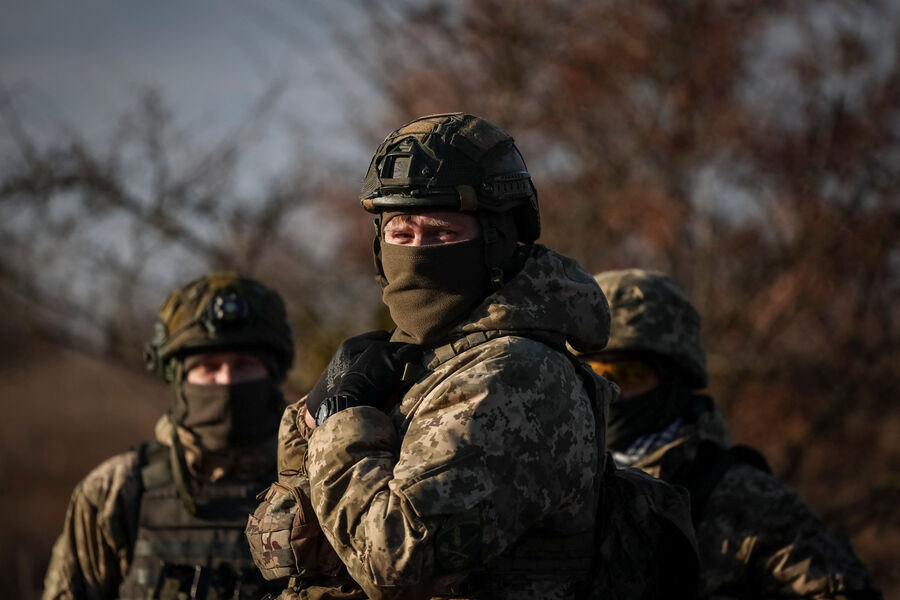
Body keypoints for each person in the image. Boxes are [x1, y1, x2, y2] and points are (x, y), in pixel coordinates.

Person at [267, 112, 618, 599]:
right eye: (401, 235)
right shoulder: (414, 361)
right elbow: (281, 540)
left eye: (442, 234)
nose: (417, 253)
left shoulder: (518, 375)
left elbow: (395, 562)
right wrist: (311, 416)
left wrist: (341, 421)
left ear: (497, 240)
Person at [580, 268, 882, 599]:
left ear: (675, 381)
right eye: (592, 373)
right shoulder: (551, 484)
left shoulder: (744, 499)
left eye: (628, 375)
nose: (609, 391)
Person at [43, 271, 294, 600]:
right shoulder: (116, 490)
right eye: (209, 366)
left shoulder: (317, 484)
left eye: (244, 364)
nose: (226, 380)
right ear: (178, 379)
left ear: (272, 374)